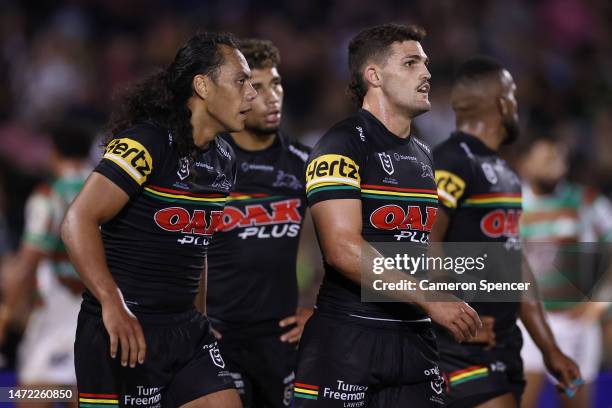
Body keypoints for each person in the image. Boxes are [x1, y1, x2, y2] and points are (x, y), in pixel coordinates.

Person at [61, 32, 256, 408]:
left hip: (186, 330)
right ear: (202, 85)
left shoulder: (224, 159)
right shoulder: (146, 143)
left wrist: (200, 317)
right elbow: (77, 220)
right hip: (124, 329)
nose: (252, 93)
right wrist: (111, 303)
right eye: (241, 80)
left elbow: (196, 246)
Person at [293, 23, 482, 407]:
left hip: (416, 341)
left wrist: (478, 297)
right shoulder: (339, 144)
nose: (427, 73)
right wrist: (431, 299)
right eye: (411, 63)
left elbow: (421, 247)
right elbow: (342, 248)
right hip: (348, 340)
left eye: (426, 64)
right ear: (374, 76)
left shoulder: (425, 155)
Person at [430, 57, 580, 408]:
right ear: (501, 103)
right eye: (513, 94)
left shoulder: (506, 175)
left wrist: (549, 348)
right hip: (462, 348)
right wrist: (453, 312)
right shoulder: (451, 160)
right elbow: (424, 238)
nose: (517, 104)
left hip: (503, 343)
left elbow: (515, 265)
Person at [206, 38, 312, 408]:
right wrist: (191, 316)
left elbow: (334, 242)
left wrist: (317, 305)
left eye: (277, 84)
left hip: (282, 336)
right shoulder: (207, 162)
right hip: (217, 334)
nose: (272, 97)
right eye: (257, 87)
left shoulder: (306, 163)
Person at [517, 133, 612, 408]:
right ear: (525, 163)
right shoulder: (509, 202)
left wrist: (599, 303)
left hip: (576, 324)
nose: (554, 166)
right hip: (529, 322)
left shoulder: (587, 201)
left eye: (559, 159)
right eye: (546, 159)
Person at [0, 124, 91, 406]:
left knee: (30, 396)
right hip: (98, 317)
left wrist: (5, 313)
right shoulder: (108, 191)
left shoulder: (48, 196)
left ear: (53, 153)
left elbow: (28, 264)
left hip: (55, 315)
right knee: (84, 394)